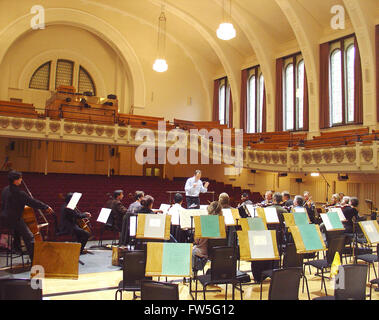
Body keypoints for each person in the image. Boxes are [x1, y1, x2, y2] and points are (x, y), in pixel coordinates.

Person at [0, 170, 53, 262]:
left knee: (19, 229)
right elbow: (33, 202)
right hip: (14, 219)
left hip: (3, 219)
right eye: (20, 178)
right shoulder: (20, 193)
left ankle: (17, 248)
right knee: (30, 237)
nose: (21, 180)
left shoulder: (5, 190)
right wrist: (46, 207)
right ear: (16, 180)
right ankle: (34, 260)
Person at [192, 201, 222, 271]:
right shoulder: (223, 223)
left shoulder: (203, 222)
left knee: (191, 250)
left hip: (204, 251)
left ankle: (194, 271)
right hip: (218, 251)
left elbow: (196, 241)